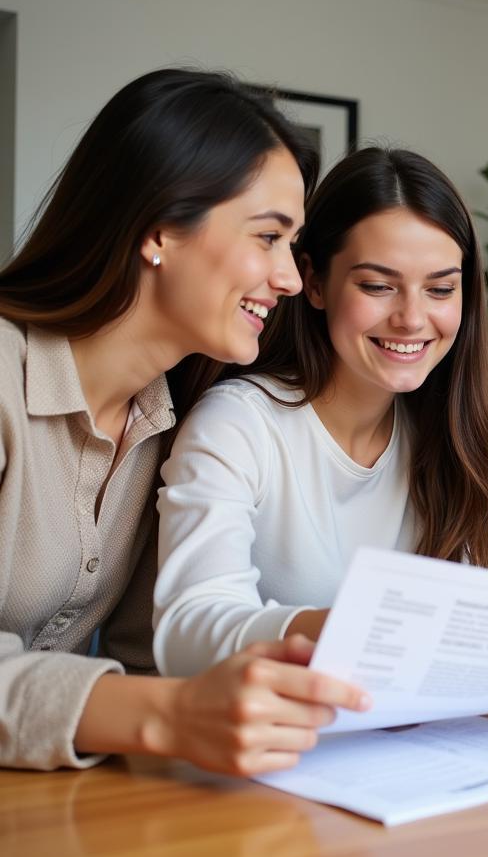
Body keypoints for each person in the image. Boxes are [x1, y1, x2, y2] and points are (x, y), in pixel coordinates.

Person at [0, 68, 371, 774]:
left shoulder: (171, 421)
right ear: (160, 230)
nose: (292, 279)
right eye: (268, 238)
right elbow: (158, 705)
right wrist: (168, 715)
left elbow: (152, 656)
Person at [154, 147, 488, 675]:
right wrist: (341, 626)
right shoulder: (239, 424)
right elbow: (188, 630)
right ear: (315, 282)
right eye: (377, 286)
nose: (413, 318)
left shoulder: (447, 435)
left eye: (440, 289)